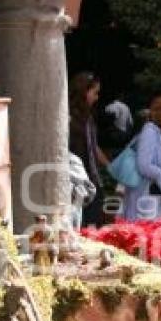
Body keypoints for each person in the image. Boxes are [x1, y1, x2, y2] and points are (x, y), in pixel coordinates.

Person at [68, 72, 109, 227]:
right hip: (78, 178)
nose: (97, 97)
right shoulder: (70, 117)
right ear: (84, 91)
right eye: (95, 92)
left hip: (91, 177)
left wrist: (109, 166)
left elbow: (93, 146)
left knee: (93, 220)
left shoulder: (88, 117)